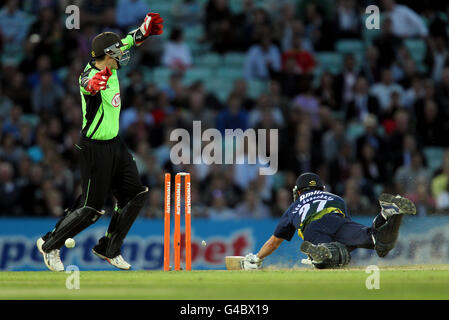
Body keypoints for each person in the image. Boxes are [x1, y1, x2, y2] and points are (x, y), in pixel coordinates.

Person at [36, 12, 164, 272]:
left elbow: (128, 41)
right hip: (93, 149)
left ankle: (108, 248)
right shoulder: (89, 75)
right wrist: (94, 83)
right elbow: (87, 85)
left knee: (135, 195)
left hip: (115, 144)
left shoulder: (110, 62)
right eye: (116, 53)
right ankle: (50, 244)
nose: (122, 55)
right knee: (91, 208)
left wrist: (143, 31)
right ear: (106, 56)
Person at [241, 172, 416, 270]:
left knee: (327, 260)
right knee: (380, 243)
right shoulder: (335, 197)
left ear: (299, 192)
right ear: (320, 189)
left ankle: (319, 254)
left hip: (313, 228)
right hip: (336, 219)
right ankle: (387, 214)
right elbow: (343, 233)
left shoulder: (294, 207)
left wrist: (256, 258)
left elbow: (274, 242)